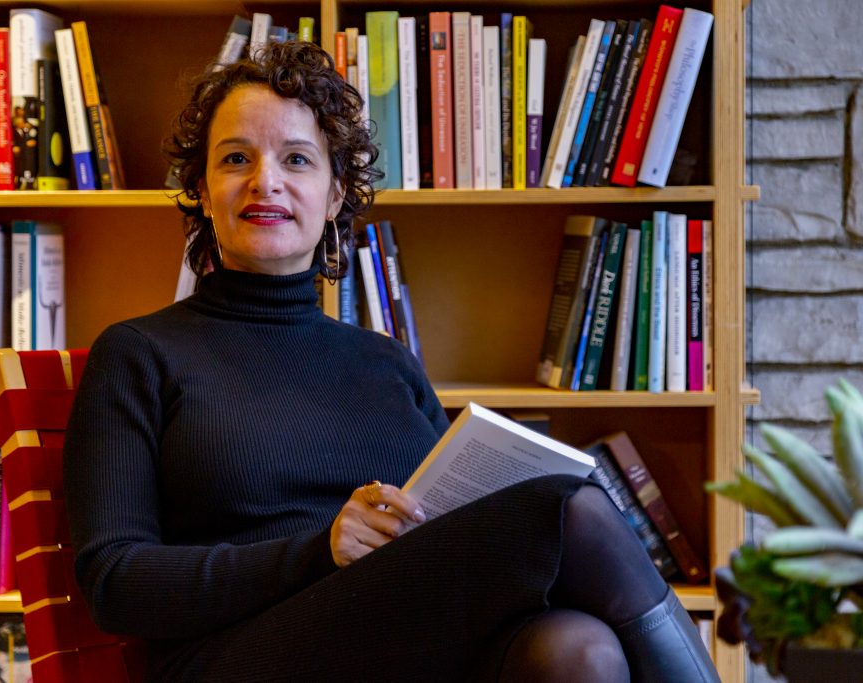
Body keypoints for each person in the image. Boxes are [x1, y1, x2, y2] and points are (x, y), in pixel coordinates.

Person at [62, 40, 719, 683]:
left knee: (580, 648)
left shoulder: (386, 363)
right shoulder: (138, 354)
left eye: (297, 159)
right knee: (567, 508)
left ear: (336, 194)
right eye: (236, 158)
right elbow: (115, 582)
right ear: (203, 190)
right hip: (237, 652)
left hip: (404, 642)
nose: (266, 181)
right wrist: (320, 553)